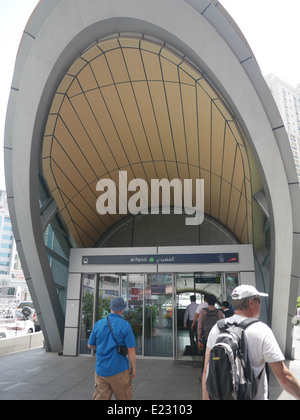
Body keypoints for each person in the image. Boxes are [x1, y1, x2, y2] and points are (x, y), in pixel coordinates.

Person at [202, 285, 300, 400]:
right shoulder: (261, 330)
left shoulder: (217, 328)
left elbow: (206, 372)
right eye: (259, 301)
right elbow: (284, 377)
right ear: (252, 303)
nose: (260, 305)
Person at [88, 297, 136, 400]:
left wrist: (102, 347)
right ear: (121, 310)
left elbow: (90, 345)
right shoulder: (125, 325)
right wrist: (134, 367)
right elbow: (131, 349)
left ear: (110, 308)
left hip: (101, 371)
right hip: (119, 370)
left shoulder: (98, 324)